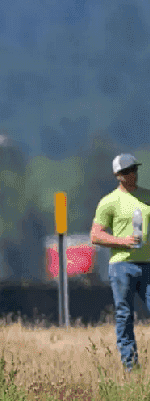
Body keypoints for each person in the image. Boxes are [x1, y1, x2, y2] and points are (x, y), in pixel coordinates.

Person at [90, 153, 150, 371]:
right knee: (124, 315)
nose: (131, 174)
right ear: (117, 175)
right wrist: (122, 241)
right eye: (126, 172)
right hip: (121, 266)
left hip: (148, 263)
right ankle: (130, 366)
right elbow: (96, 235)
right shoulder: (109, 202)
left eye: (133, 169)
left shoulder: (148, 197)